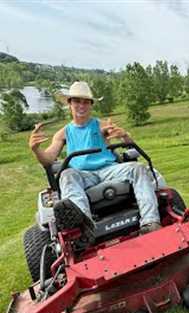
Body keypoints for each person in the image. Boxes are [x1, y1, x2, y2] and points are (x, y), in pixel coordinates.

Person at [29, 81, 161, 235]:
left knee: (137, 168)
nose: (81, 106)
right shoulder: (63, 133)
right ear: (69, 104)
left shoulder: (101, 125)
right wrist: (36, 149)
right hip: (83, 176)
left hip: (109, 170)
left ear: (91, 105)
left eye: (86, 102)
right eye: (77, 101)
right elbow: (48, 159)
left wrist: (124, 136)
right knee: (66, 175)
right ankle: (86, 230)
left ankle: (151, 222)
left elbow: (127, 142)